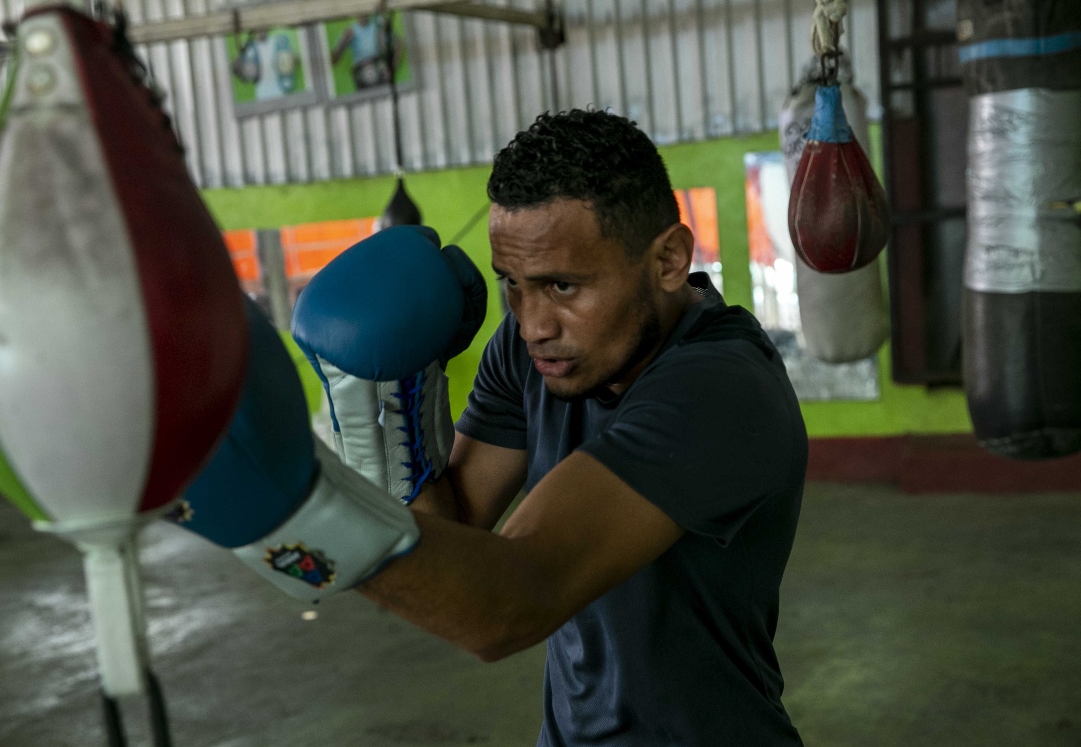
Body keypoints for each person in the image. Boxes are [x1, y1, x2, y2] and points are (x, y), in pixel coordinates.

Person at [180, 109, 807, 746]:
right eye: (512, 285)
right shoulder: (534, 350)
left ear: (669, 259)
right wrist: (404, 394)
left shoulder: (720, 389)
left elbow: (511, 602)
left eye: (563, 285)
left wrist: (290, 517)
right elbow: (453, 535)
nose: (533, 322)